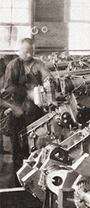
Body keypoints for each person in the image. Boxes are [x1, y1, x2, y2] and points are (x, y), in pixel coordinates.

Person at [0, 38, 52, 181]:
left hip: (35, 111)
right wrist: (27, 93)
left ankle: (37, 173)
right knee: (19, 144)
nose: (29, 55)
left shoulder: (37, 64)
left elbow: (47, 75)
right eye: (25, 51)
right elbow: (9, 88)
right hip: (18, 110)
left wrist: (48, 80)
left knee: (36, 140)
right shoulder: (13, 65)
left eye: (31, 51)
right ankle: (20, 176)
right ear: (19, 51)